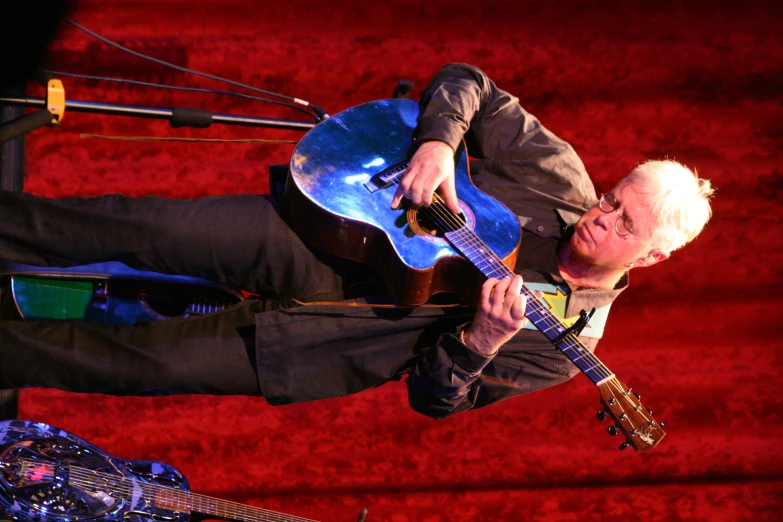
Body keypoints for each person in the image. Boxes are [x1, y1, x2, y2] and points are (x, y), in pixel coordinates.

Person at [0, 63, 714, 418]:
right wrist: (438, 148)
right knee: (131, 226)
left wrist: (479, 342)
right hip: (319, 236)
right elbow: (469, 83)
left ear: (652, 257)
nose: (599, 215)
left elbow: (437, 401)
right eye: (612, 198)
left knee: (128, 367)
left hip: (314, 345)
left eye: (624, 224)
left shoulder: (564, 349)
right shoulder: (558, 175)